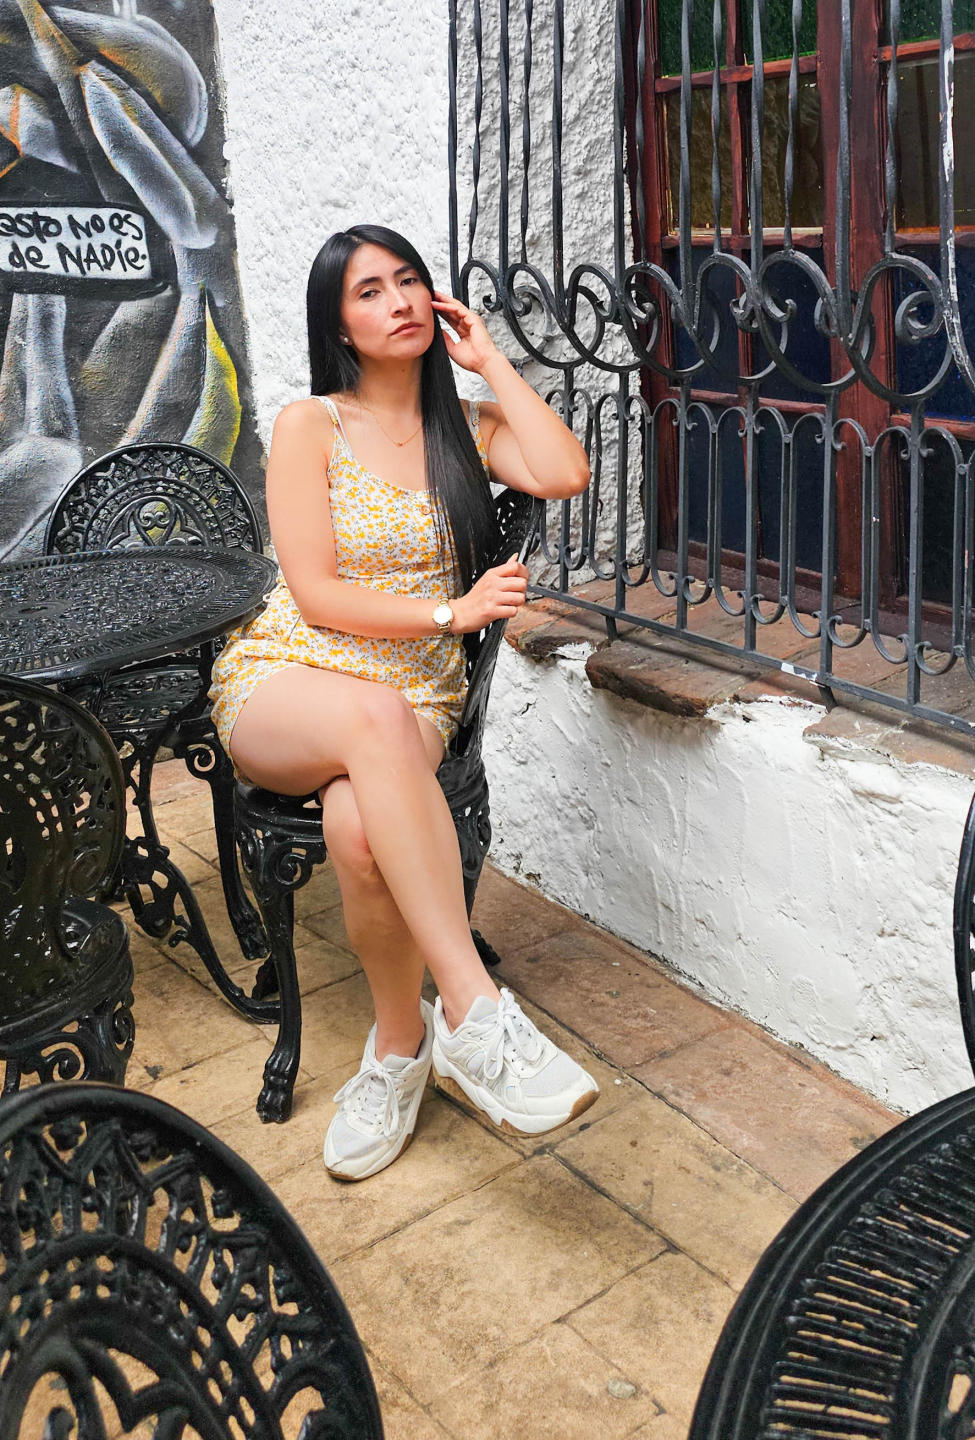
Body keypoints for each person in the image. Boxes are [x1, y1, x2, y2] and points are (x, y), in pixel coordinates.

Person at [209, 223, 598, 1181]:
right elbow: (313, 594)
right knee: (368, 721)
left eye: (408, 281)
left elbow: (565, 471)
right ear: (338, 325)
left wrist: (490, 361)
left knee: (356, 831)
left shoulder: (469, 429)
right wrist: (450, 611)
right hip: (291, 671)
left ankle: (397, 1049)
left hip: (414, 685)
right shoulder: (309, 425)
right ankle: (474, 1012)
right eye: (369, 292)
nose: (399, 303)